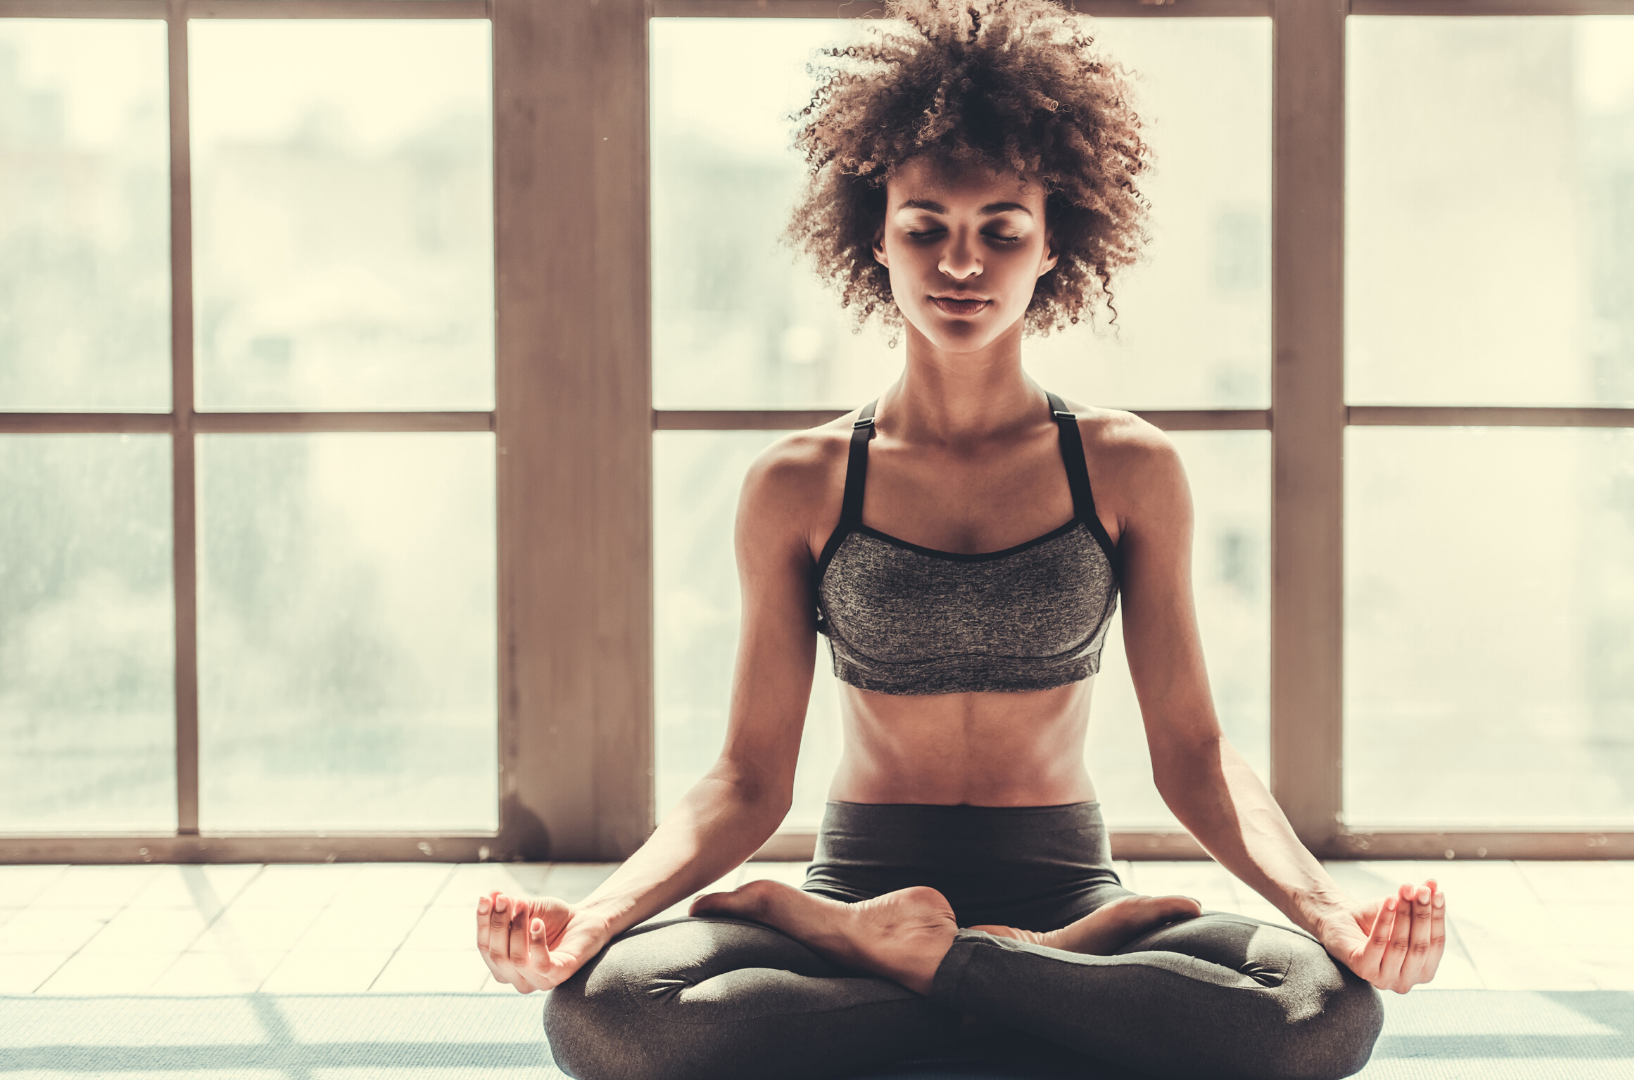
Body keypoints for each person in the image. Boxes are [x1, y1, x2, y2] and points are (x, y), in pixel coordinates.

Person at [478, 0, 1445, 1076]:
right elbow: (750, 776)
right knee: (606, 1012)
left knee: (1323, 1009)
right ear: (873, 235)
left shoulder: (1127, 469)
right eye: (924, 226)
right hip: (860, 886)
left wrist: (1334, 914)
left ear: (1055, 241)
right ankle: (1015, 976)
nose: (961, 262)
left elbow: (1196, 756)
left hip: (1070, 890)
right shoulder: (802, 484)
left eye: (1002, 229)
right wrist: (593, 919)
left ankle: (953, 964)